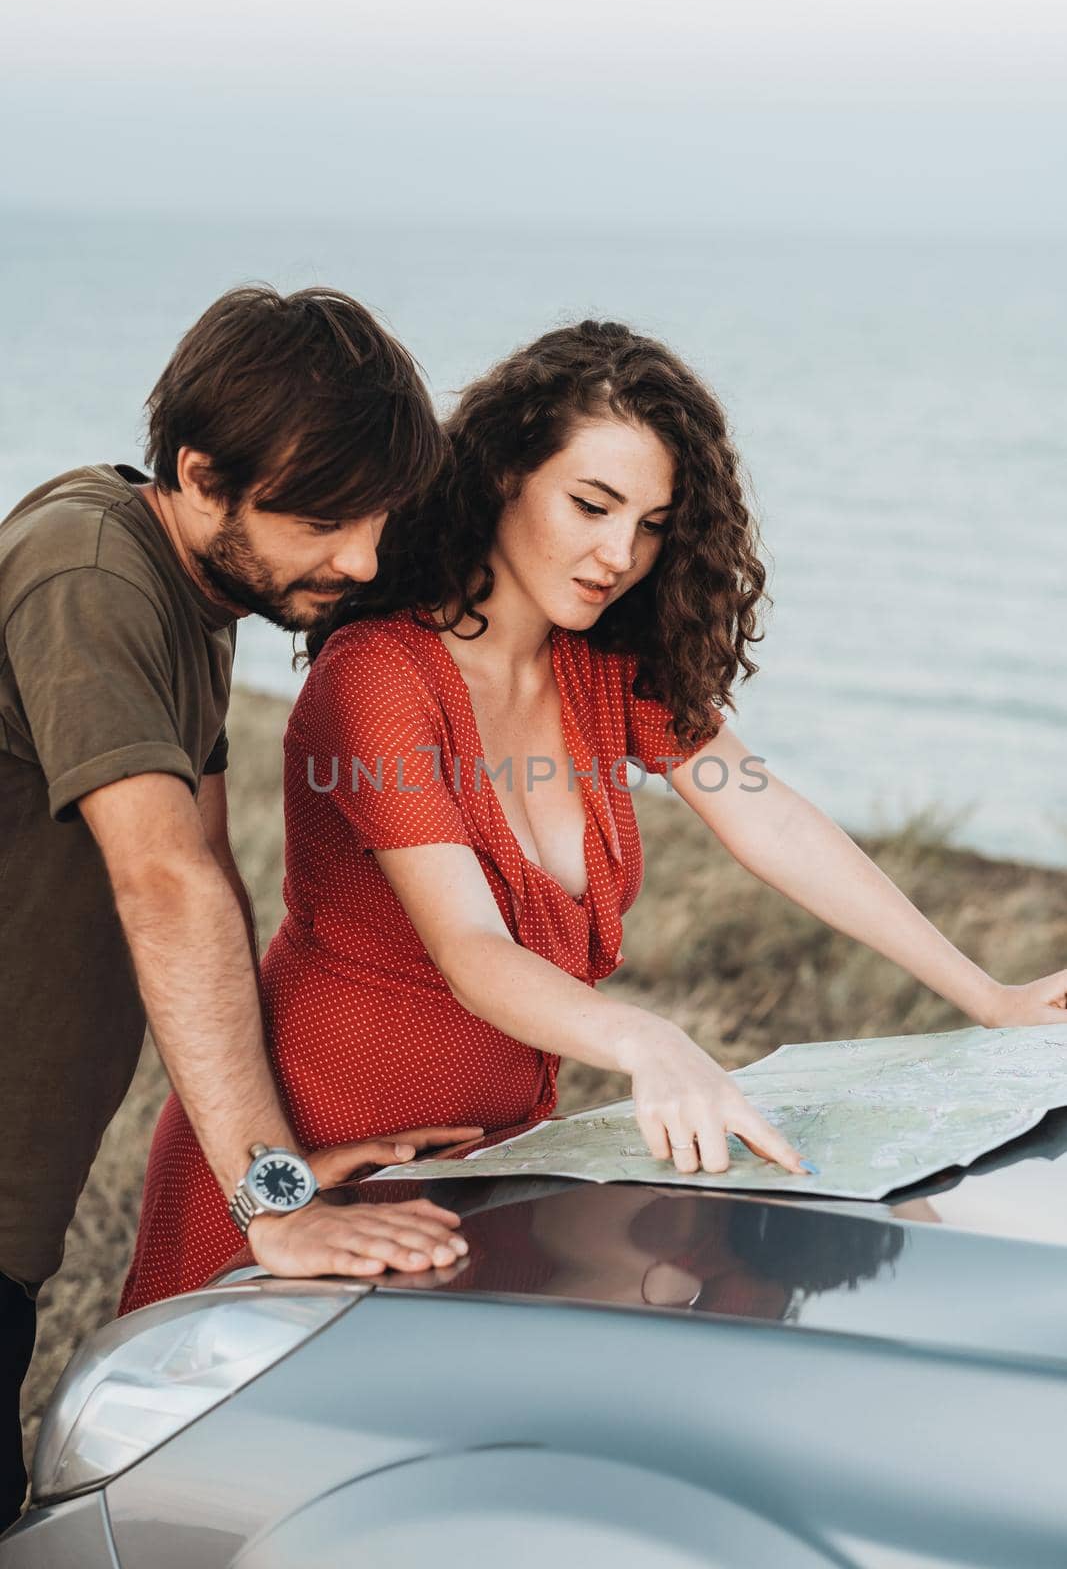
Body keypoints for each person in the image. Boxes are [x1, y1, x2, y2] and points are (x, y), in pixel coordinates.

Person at [122, 319, 1067, 1312]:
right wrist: (646, 1041)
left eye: (651, 523)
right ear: (498, 477)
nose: (618, 551)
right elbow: (469, 945)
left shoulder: (607, 668)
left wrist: (984, 992)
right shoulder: (378, 680)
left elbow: (766, 815)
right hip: (312, 1156)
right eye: (590, 503)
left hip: (484, 1170)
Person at [0, 285, 480, 1530]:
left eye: (377, 518)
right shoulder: (89, 564)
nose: (363, 560)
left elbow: (210, 876)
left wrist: (276, 1155)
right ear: (200, 475)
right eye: (323, 518)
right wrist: (274, 1203)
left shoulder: (193, 601)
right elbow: (163, 879)